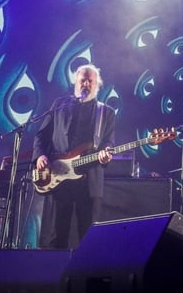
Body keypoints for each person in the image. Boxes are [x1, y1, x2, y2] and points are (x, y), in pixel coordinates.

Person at [32, 63, 115, 249]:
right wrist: (40, 156)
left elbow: (108, 142)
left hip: (89, 180)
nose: (86, 84)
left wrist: (105, 154)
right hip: (59, 177)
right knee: (56, 234)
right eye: (82, 80)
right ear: (75, 83)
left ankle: (84, 275)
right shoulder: (60, 105)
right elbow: (41, 135)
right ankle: (52, 274)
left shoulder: (106, 112)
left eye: (90, 81)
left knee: (88, 237)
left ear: (97, 85)